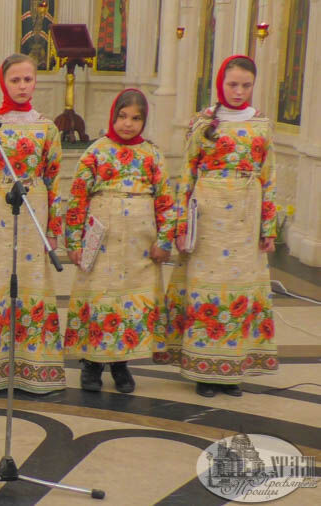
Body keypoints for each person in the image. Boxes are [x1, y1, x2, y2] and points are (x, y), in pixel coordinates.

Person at [154, 55, 278, 397]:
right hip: (208, 214)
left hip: (246, 216)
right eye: (232, 84)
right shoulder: (203, 122)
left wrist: (268, 227)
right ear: (220, 84)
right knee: (205, 289)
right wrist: (181, 224)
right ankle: (202, 369)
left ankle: (231, 368)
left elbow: (269, 177)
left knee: (238, 291)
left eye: (246, 86)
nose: (239, 92)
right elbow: (187, 175)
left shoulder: (262, 124)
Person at [0, 54, 65, 395]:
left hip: (34, 210)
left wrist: (53, 229)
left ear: (35, 82)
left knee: (33, 283)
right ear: (3, 82)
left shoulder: (47, 128)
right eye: (15, 80)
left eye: (27, 80)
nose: (22, 86)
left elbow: (54, 179)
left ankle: (32, 367)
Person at [64, 89, 174, 394]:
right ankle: (91, 362)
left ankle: (121, 363)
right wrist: (74, 242)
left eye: (136, 118)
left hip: (139, 245)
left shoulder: (152, 155)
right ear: (113, 116)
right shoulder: (96, 152)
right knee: (100, 296)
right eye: (122, 116)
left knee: (129, 301)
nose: (128, 124)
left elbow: (166, 200)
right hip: (102, 242)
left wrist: (165, 240)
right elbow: (77, 198)